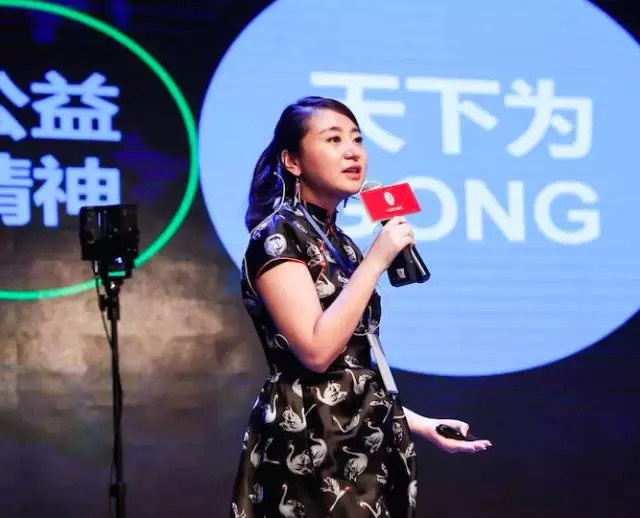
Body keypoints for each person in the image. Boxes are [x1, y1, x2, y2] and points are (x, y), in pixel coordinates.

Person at [230, 96, 491, 518]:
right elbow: (316, 353)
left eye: (357, 139)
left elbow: (350, 368)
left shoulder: (341, 244)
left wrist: (418, 424)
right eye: (333, 140)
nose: (352, 152)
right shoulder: (278, 236)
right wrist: (376, 261)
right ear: (292, 161)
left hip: (363, 436)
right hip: (310, 440)